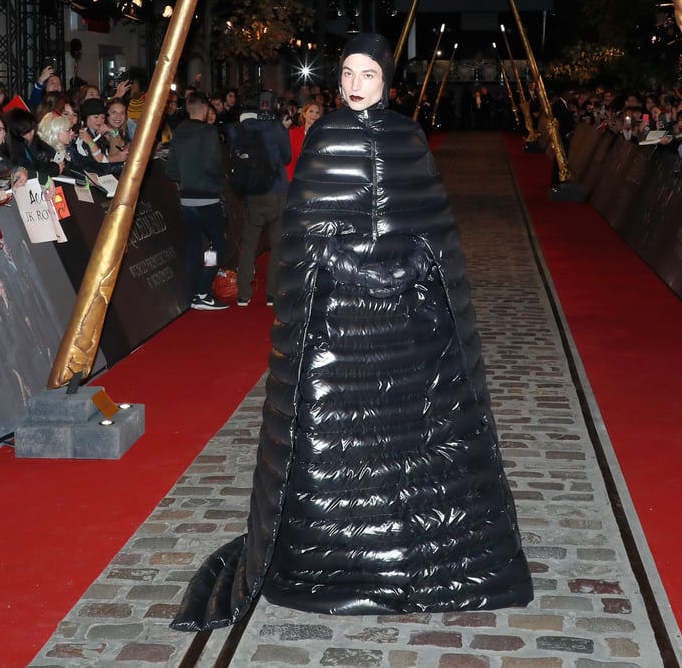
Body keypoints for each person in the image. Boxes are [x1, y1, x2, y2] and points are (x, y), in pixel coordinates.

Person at [172, 32, 532, 633]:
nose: (355, 84)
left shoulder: (408, 138)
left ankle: (410, 550)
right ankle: (336, 559)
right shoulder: (324, 137)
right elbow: (305, 232)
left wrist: (412, 267)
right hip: (339, 323)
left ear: (386, 79)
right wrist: (350, 266)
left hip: (406, 326)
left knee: (410, 432)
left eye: (367, 74)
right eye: (347, 74)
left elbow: (432, 227)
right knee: (332, 436)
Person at [164, 91, 229, 311]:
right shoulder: (208, 132)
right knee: (216, 244)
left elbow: (171, 170)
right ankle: (203, 290)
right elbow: (212, 165)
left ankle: (196, 292)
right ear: (204, 109)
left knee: (193, 246)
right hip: (208, 198)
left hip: (187, 199)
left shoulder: (179, 131)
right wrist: (222, 180)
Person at [227, 92, 291, 306]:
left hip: (251, 193)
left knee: (248, 244)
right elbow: (287, 156)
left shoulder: (236, 130)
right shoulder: (275, 127)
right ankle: (272, 293)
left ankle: (244, 293)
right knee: (277, 245)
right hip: (277, 191)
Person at [285, 100, 322, 181]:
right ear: (304, 114)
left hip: (314, 179)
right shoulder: (292, 134)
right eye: (311, 111)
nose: (314, 115)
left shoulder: (322, 137)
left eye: (317, 113)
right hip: (293, 179)